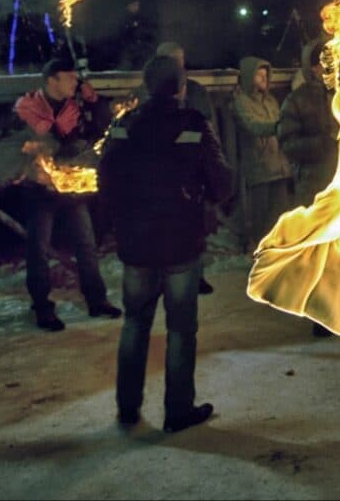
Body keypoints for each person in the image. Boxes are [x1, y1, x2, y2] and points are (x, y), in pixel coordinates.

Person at [98, 55, 232, 432]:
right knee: (181, 329)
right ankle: (178, 411)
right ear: (181, 86)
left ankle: (127, 408)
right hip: (180, 242)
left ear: (145, 85)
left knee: (135, 324)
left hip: (136, 244)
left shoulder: (124, 125)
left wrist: (121, 220)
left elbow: (105, 182)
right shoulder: (194, 124)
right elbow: (222, 183)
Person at [14, 58, 121, 331]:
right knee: (38, 249)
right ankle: (42, 307)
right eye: (70, 77)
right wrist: (33, 166)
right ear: (52, 80)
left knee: (86, 244)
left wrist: (94, 102)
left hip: (71, 185)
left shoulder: (77, 107)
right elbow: (17, 145)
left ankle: (97, 300)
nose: (76, 81)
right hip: (40, 187)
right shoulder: (26, 107)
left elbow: (102, 128)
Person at [146, 41, 221, 295]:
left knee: (194, 228)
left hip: (191, 170)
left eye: (181, 60)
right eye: (173, 61)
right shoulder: (147, 92)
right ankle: (162, 277)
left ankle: (195, 275)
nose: (180, 66)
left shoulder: (196, 91)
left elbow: (208, 126)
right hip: (160, 173)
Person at [277, 39, 339, 338]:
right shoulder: (298, 100)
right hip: (315, 185)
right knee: (320, 253)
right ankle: (321, 313)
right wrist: (325, 142)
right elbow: (288, 143)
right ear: (313, 67)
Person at [232, 56, 293, 248]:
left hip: (279, 166)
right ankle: (259, 251)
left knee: (281, 215)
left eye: (266, 75)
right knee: (259, 218)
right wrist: (280, 126)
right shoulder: (241, 102)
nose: (264, 79)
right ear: (249, 77)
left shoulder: (271, 101)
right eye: (259, 75)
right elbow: (253, 125)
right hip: (259, 168)